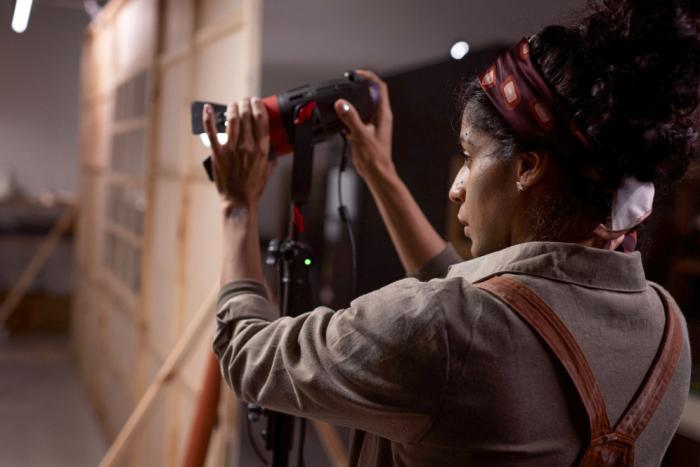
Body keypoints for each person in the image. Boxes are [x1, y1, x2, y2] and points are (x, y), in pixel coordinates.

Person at [202, 0, 697, 465]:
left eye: (469, 154)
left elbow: (249, 355)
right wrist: (380, 172)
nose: (457, 188)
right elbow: (500, 308)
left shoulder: (446, 331)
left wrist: (238, 207)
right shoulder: (665, 329)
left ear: (526, 167)